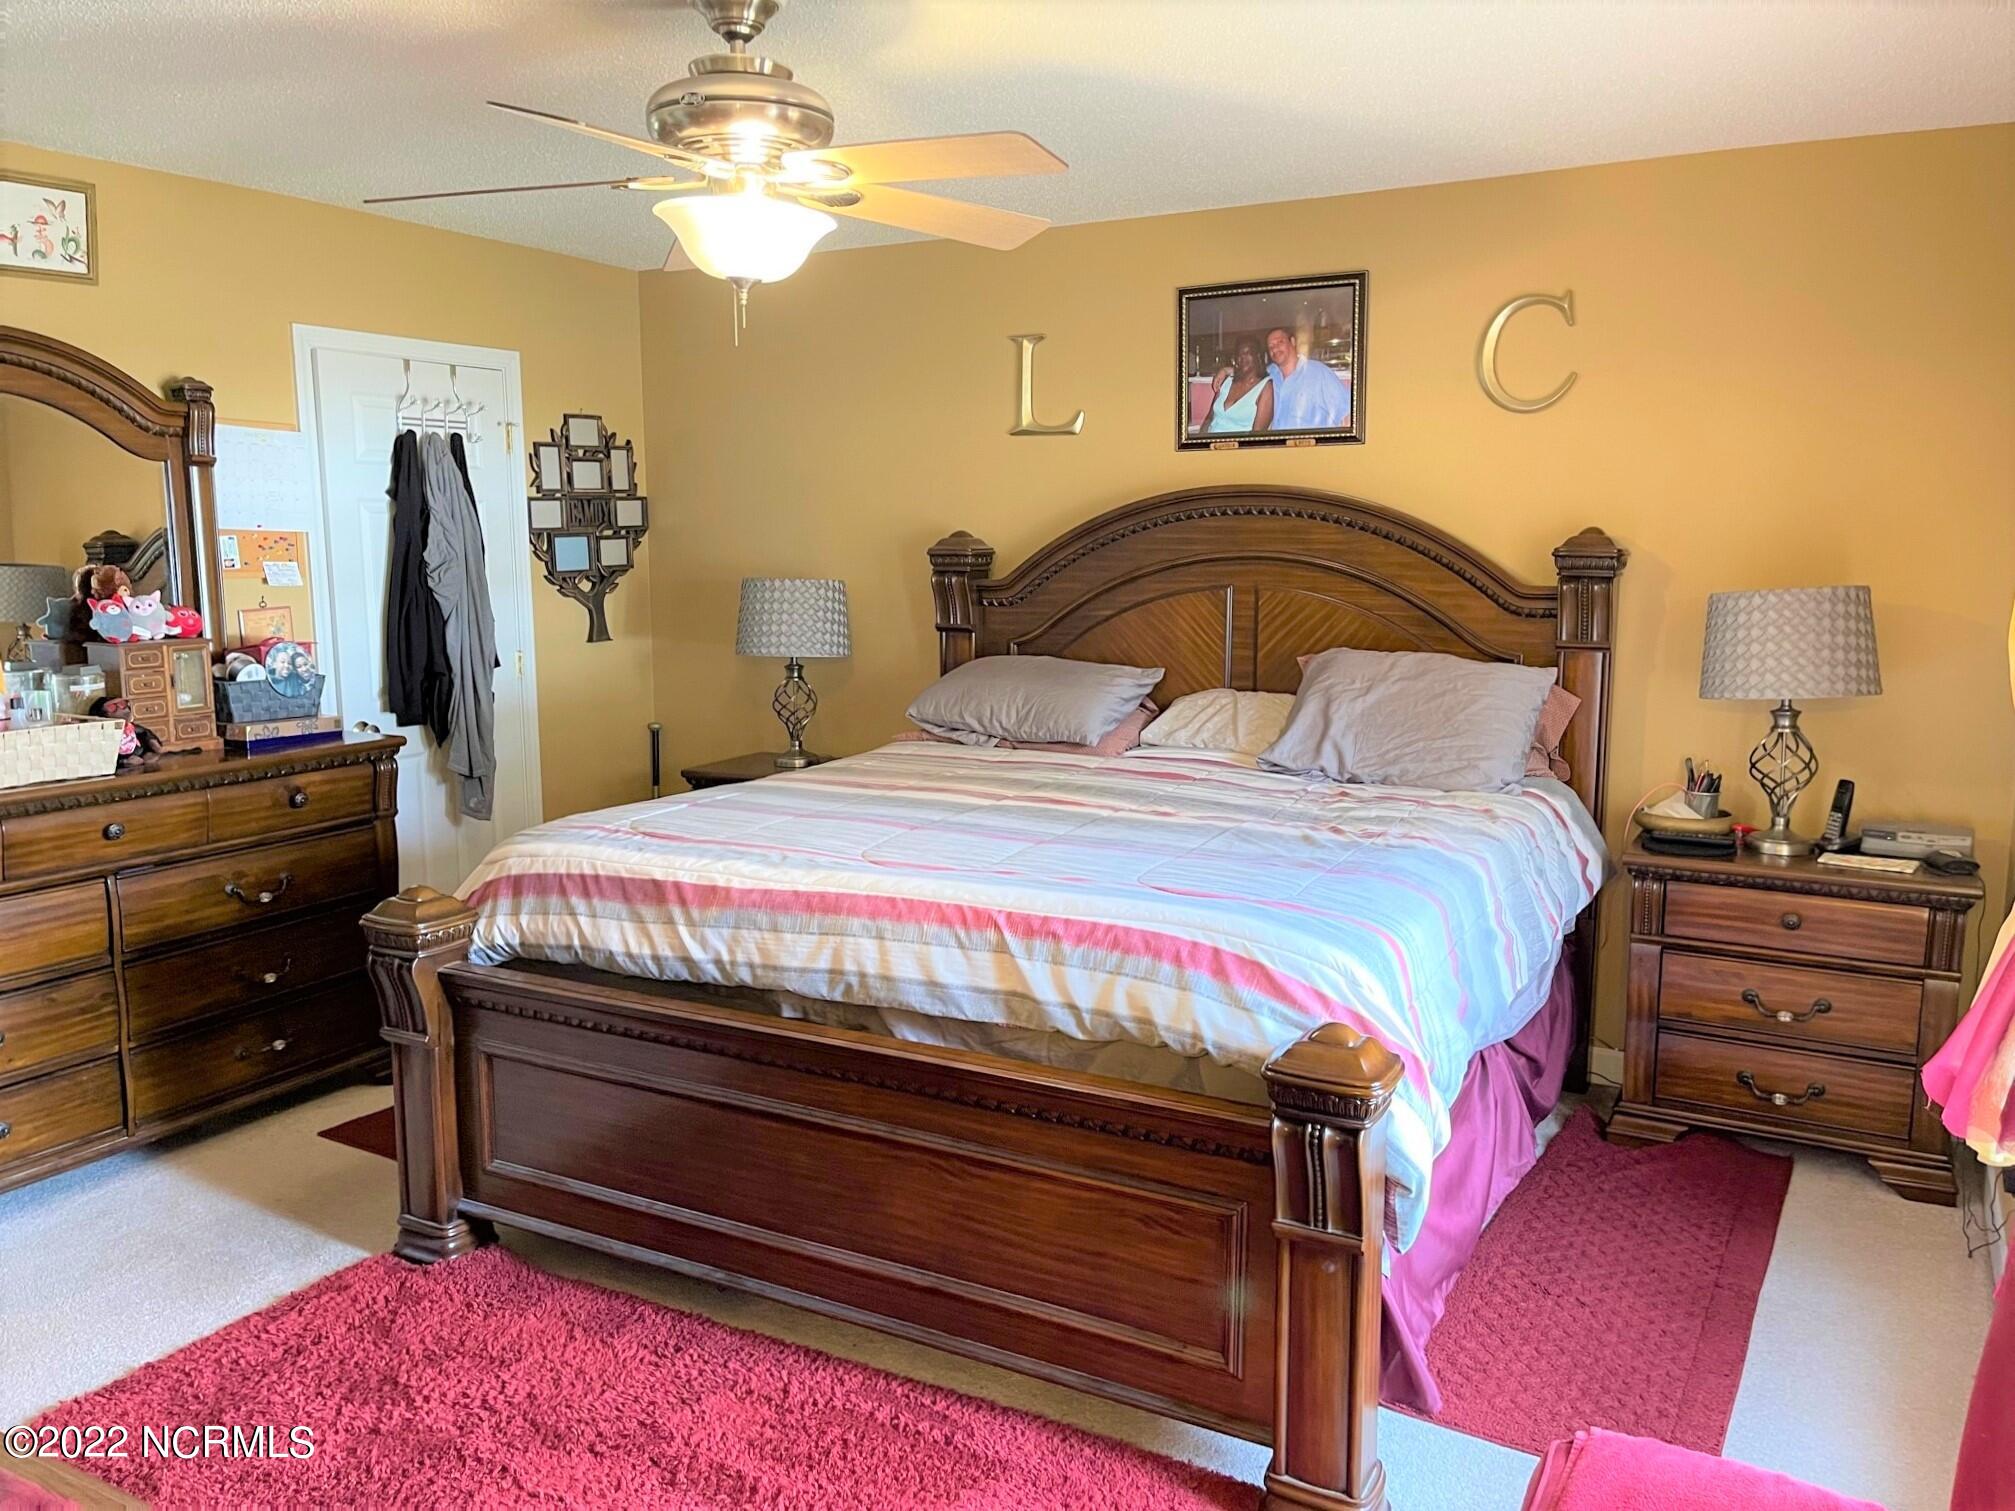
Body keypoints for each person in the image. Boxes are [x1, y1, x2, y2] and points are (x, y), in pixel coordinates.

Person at [1264, 324, 1352, 430]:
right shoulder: (1269, 376)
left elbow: (1347, 414)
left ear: (1293, 342)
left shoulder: (1318, 372)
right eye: (1271, 346)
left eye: (1280, 342)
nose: (1275, 349)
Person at [1203, 337, 1275, 434]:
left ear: (1258, 356)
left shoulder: (1265, 387)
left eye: (1247, 353)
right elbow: (1209, 418)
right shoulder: (1227, 381)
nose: (1242, 357)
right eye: (1239, 354)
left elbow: (1258, 434)